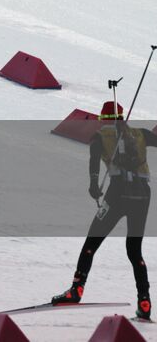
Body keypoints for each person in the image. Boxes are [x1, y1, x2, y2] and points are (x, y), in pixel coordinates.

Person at [51, 100, 154, 321]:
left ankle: (76, 289)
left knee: (92, 241)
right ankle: (144, 301)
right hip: (142, 197)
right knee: (134, 250)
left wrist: (94, 185)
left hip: (117, 196)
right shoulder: (141, 134)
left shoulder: (99, 137)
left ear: (103, 118)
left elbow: (94, 164)